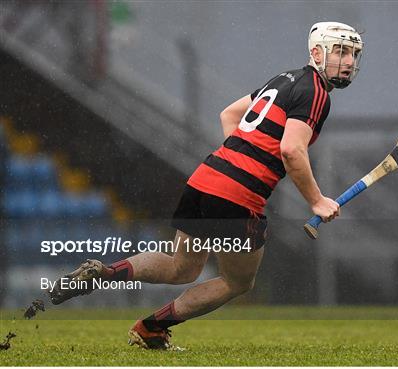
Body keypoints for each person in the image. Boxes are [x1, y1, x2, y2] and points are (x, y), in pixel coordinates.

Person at [49, 22, 364, 350]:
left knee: (180, 265)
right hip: (238, 196)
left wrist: (241, 157)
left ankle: (106, 273)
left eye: (353, 53)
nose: (347, 60)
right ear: (316, 53)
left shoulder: (285, 79)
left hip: (205, 177)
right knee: (237, 281)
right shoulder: (315, 93)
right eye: (339, 51)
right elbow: (291, 150)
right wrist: (316, 200)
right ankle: (151, 328)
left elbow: (229, 114)